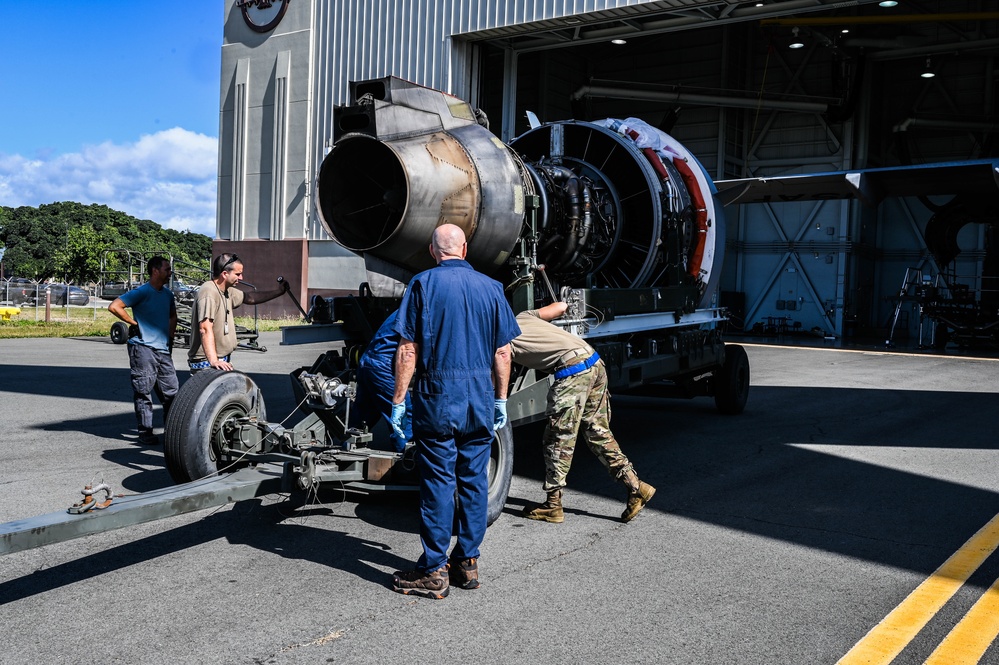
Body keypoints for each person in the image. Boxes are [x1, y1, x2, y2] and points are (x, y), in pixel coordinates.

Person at [389, 224, 520, 599]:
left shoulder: (423, 284)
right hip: (479, 399)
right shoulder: (492, 289)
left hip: (438, 397)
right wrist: (500, 399)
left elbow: (408, 349)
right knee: (474, 480)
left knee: (438, 483)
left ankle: (433, 568)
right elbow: (503, 352)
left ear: (433, 251)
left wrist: (398, 401)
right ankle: (467, 562)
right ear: (464, 248)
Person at [509, 301, 655, 524]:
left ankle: (553, 505)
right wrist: (564, 305)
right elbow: (560, 306)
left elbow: (500, 366)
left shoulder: (499, 337)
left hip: (572, 371)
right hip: (594, 362)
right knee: (597, 432)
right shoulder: (523, 316)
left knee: (558, 439)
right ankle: (636, 487)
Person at [108, 256, 179, 446]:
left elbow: (173, 316)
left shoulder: (167, 295)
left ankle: (172, 431)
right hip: (143, 348)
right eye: (167, 269)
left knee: (172, 393)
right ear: (155, 271)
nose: (170, 272)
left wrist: (170, 337)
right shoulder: (142, 292)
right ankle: (145, 431)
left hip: (162, 350)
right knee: (143, 390)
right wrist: (133, 323)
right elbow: (115, 306)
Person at [187, 253, 289, 373]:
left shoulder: (227, 291)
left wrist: (279, 292)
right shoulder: (209, 293)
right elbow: (204, 328)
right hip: (207, 364)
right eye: (238, 274)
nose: (241, 278)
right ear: (225, 274)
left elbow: (249, 297)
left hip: (219, 362)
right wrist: (214, 361)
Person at [350, 309, 411, 452]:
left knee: (363, 416)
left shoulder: (405, 308)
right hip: (384, 366)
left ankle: (349, 451)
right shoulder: (422, 311)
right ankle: (408, 464)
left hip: (369, 361)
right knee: (405, 420)